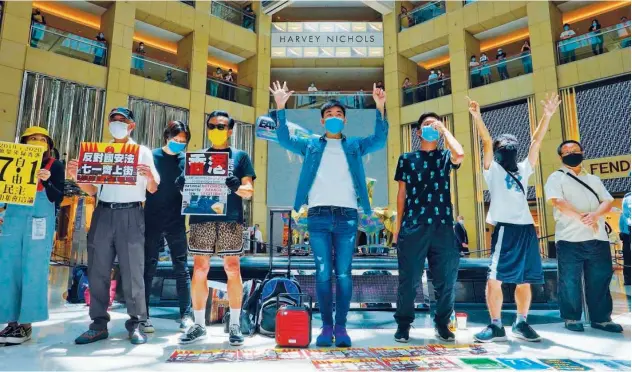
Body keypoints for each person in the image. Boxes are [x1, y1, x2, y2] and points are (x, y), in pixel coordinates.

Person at [269, 81, 387, 348]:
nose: (334, 119)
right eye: (329, 116)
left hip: (346, 217)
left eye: (338, 115)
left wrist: (380, 108)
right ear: (322, 121)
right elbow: (285, 139)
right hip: (318, 216)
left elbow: (379, 140)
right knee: (322, 272)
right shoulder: (311, 145)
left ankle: (342, 328)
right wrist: (280, 107)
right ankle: (325, 327)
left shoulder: (355, 146)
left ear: (344, 120)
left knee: (344, 273)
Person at [470, 93, 561, 343]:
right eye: (504, 147)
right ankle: (496, 324)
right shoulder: (492, 170)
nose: (508, 150)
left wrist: (547, 115)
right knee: (494, 278)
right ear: (498, 152)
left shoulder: (523, 169)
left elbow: (536, 141)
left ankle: (521, 322)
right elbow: (486, 141)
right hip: (505, 230)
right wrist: (478, 117)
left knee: (526, 279)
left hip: (526, 230)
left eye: (512, 146)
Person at [69, 107, 160, 345]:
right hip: (103, 211)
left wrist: (149, 176)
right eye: (113, 120)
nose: (117, 124)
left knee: (133, 270)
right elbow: (92, 189)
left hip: (131, 212)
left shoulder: (142, 152)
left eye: (123, 120)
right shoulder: (100, 153)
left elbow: (152, 188)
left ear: (132, 125)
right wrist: (77, 176)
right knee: (97, 270)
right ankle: (98, 324)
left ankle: (137, 323)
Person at [179, 111, 255, 346]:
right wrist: (182, 186)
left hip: (231, 218)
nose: (216, 130)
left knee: (232, 268)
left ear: (230, 130)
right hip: (202, 218)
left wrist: (237, 186)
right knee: (200, 268)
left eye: (221, 126)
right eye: (212, 126)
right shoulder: (197, 157)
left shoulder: (241, 157)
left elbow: (249, 191)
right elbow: (187, 192)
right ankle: (200, 324)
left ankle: (234, 324)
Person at [393, 112, 464, 343]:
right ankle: (404, 324)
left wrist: (443, 130)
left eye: (435, 124)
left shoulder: (445, 157)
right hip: (414, 225)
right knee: (409, 279)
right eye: (427, 125)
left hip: (443, 226)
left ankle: (442, 324)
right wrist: (397, 227)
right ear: (418, 132)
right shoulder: (406, 158)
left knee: (446, 280)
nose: (431, 127)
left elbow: (460, 153)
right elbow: (401, 194)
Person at [544, 140, 623, 333]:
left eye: (575, 150)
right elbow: (558, 202)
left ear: (582, 152)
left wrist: (595, 216)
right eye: (567, 151)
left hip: (598, 238)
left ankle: (602, 319)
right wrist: (583, 218)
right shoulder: (556, 178)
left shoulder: (594, 179)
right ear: (560, 157)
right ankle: (571, 318)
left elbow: (608, 200)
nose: (572, 153)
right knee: (569, 280)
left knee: (600, 279)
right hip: (569, 238)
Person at [0, 127, 64, 345]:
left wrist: (46, 181)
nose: (37, 142)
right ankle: (11, 321)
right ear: (24, 142)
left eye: (42, 139)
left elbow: (58, 197)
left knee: (33, 270)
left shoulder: (55, 166)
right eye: (32, 138)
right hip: (13, 221)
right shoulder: (12, 161)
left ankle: (25, 325)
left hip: (39, 223)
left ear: (49, 145)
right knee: (8, 270)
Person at [141, 121, 193, 334]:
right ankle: (142, 315)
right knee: (148, 267)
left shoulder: (187, 161)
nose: (179, 144)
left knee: (181, 268)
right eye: (175, 140)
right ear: (166, 137)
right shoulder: (152, 155)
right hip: (151, 217)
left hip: (176, 219)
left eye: (183, 141)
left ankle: (186, 315)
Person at [621, 192, 631, 286]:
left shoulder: (623, 215)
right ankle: (628, 280)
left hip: (626, 236)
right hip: (627, 235)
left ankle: (628, 280)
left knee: (627, 259)